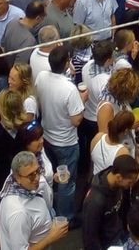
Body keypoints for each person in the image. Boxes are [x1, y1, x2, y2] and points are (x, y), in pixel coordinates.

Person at [35, 46, 84, 222]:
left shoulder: (41, 77)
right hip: (66, 143)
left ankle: (51, 206)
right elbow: (76, 120)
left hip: (46, 137)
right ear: (66, 63)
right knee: (66, 182)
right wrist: (82, 99)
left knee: (52, 175)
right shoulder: (69, 89)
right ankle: (66, 218)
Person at [0, 151, 69, 249]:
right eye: (31, 176)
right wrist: (50, 237)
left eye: (38, 171)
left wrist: (54, 178)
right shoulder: (19, 213)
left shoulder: (21, 186)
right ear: (17, 178)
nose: (37, 178)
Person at [80, 153, 139, 250]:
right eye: (130, 182)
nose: (131, 185)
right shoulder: (95, 202)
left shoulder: (118, 184)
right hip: (105, 245)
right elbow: (90, 238)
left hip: (118, 235)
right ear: (119, 177)